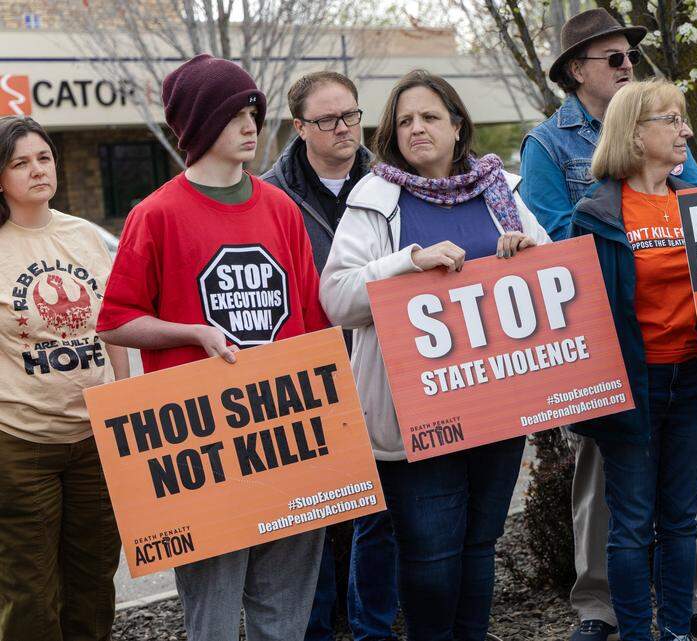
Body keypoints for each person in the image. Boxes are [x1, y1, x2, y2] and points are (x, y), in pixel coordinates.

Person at [96, 54, 330, 641]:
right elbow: (116, 321)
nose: (251, 123)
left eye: (254, 109)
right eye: (234, 112)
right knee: (215, 620)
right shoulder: (156, 215)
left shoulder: (281, 208)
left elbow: (310, 321)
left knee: (285, 611)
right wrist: (191, 333)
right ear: (200, 124)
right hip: (201, 449)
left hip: (285, 435)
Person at [519, 9, 697, 641]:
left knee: (678, 512)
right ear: (576, 70)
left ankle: (684, 613)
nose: (625, 64)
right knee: (619, 513)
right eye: (612, 58)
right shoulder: (550, 147)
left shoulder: (678, 175)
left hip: (689, 376)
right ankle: (608, 615)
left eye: (628, 57)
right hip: (622, 368)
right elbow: (555, 246)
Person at [319, 69, 550, 641]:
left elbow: (553, 274)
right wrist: (406, 264)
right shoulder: (374, 200)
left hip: (498, 406)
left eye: (429, 117)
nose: (416, 128)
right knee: (429, 557)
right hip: (414, 416)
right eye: (404, 121)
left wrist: (529, 252)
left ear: (457, 124)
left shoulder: (506, 192)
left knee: (478, 545)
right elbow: (337, 298)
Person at [567, 78, 697, 641]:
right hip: (632, 385)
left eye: (684, 118)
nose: (687, 131)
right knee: (630, 526)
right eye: (671, 120)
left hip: (693, 381)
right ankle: (635, 634)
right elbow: (576, 305)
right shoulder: (596, 213)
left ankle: (674, 630)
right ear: (634, 131)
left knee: (679, 522)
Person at [262, 70, 399, 641]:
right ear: (299, 127)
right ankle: (314, 630)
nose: (344, 128)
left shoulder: (391, 182)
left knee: (381, 516)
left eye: (351, 115)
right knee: (315, 517)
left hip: (383, 368)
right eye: (327, 120)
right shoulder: (272, 195)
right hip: (312, 375)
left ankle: (374, 627)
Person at [0, 115, 127, 641]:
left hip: (95, 438)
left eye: (44, 158)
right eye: (20, 163)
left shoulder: (87, 237)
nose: (37, 170)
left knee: (94, 580)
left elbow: (115, 324)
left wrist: (123, 397)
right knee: (29, 592)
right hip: (19, 443)